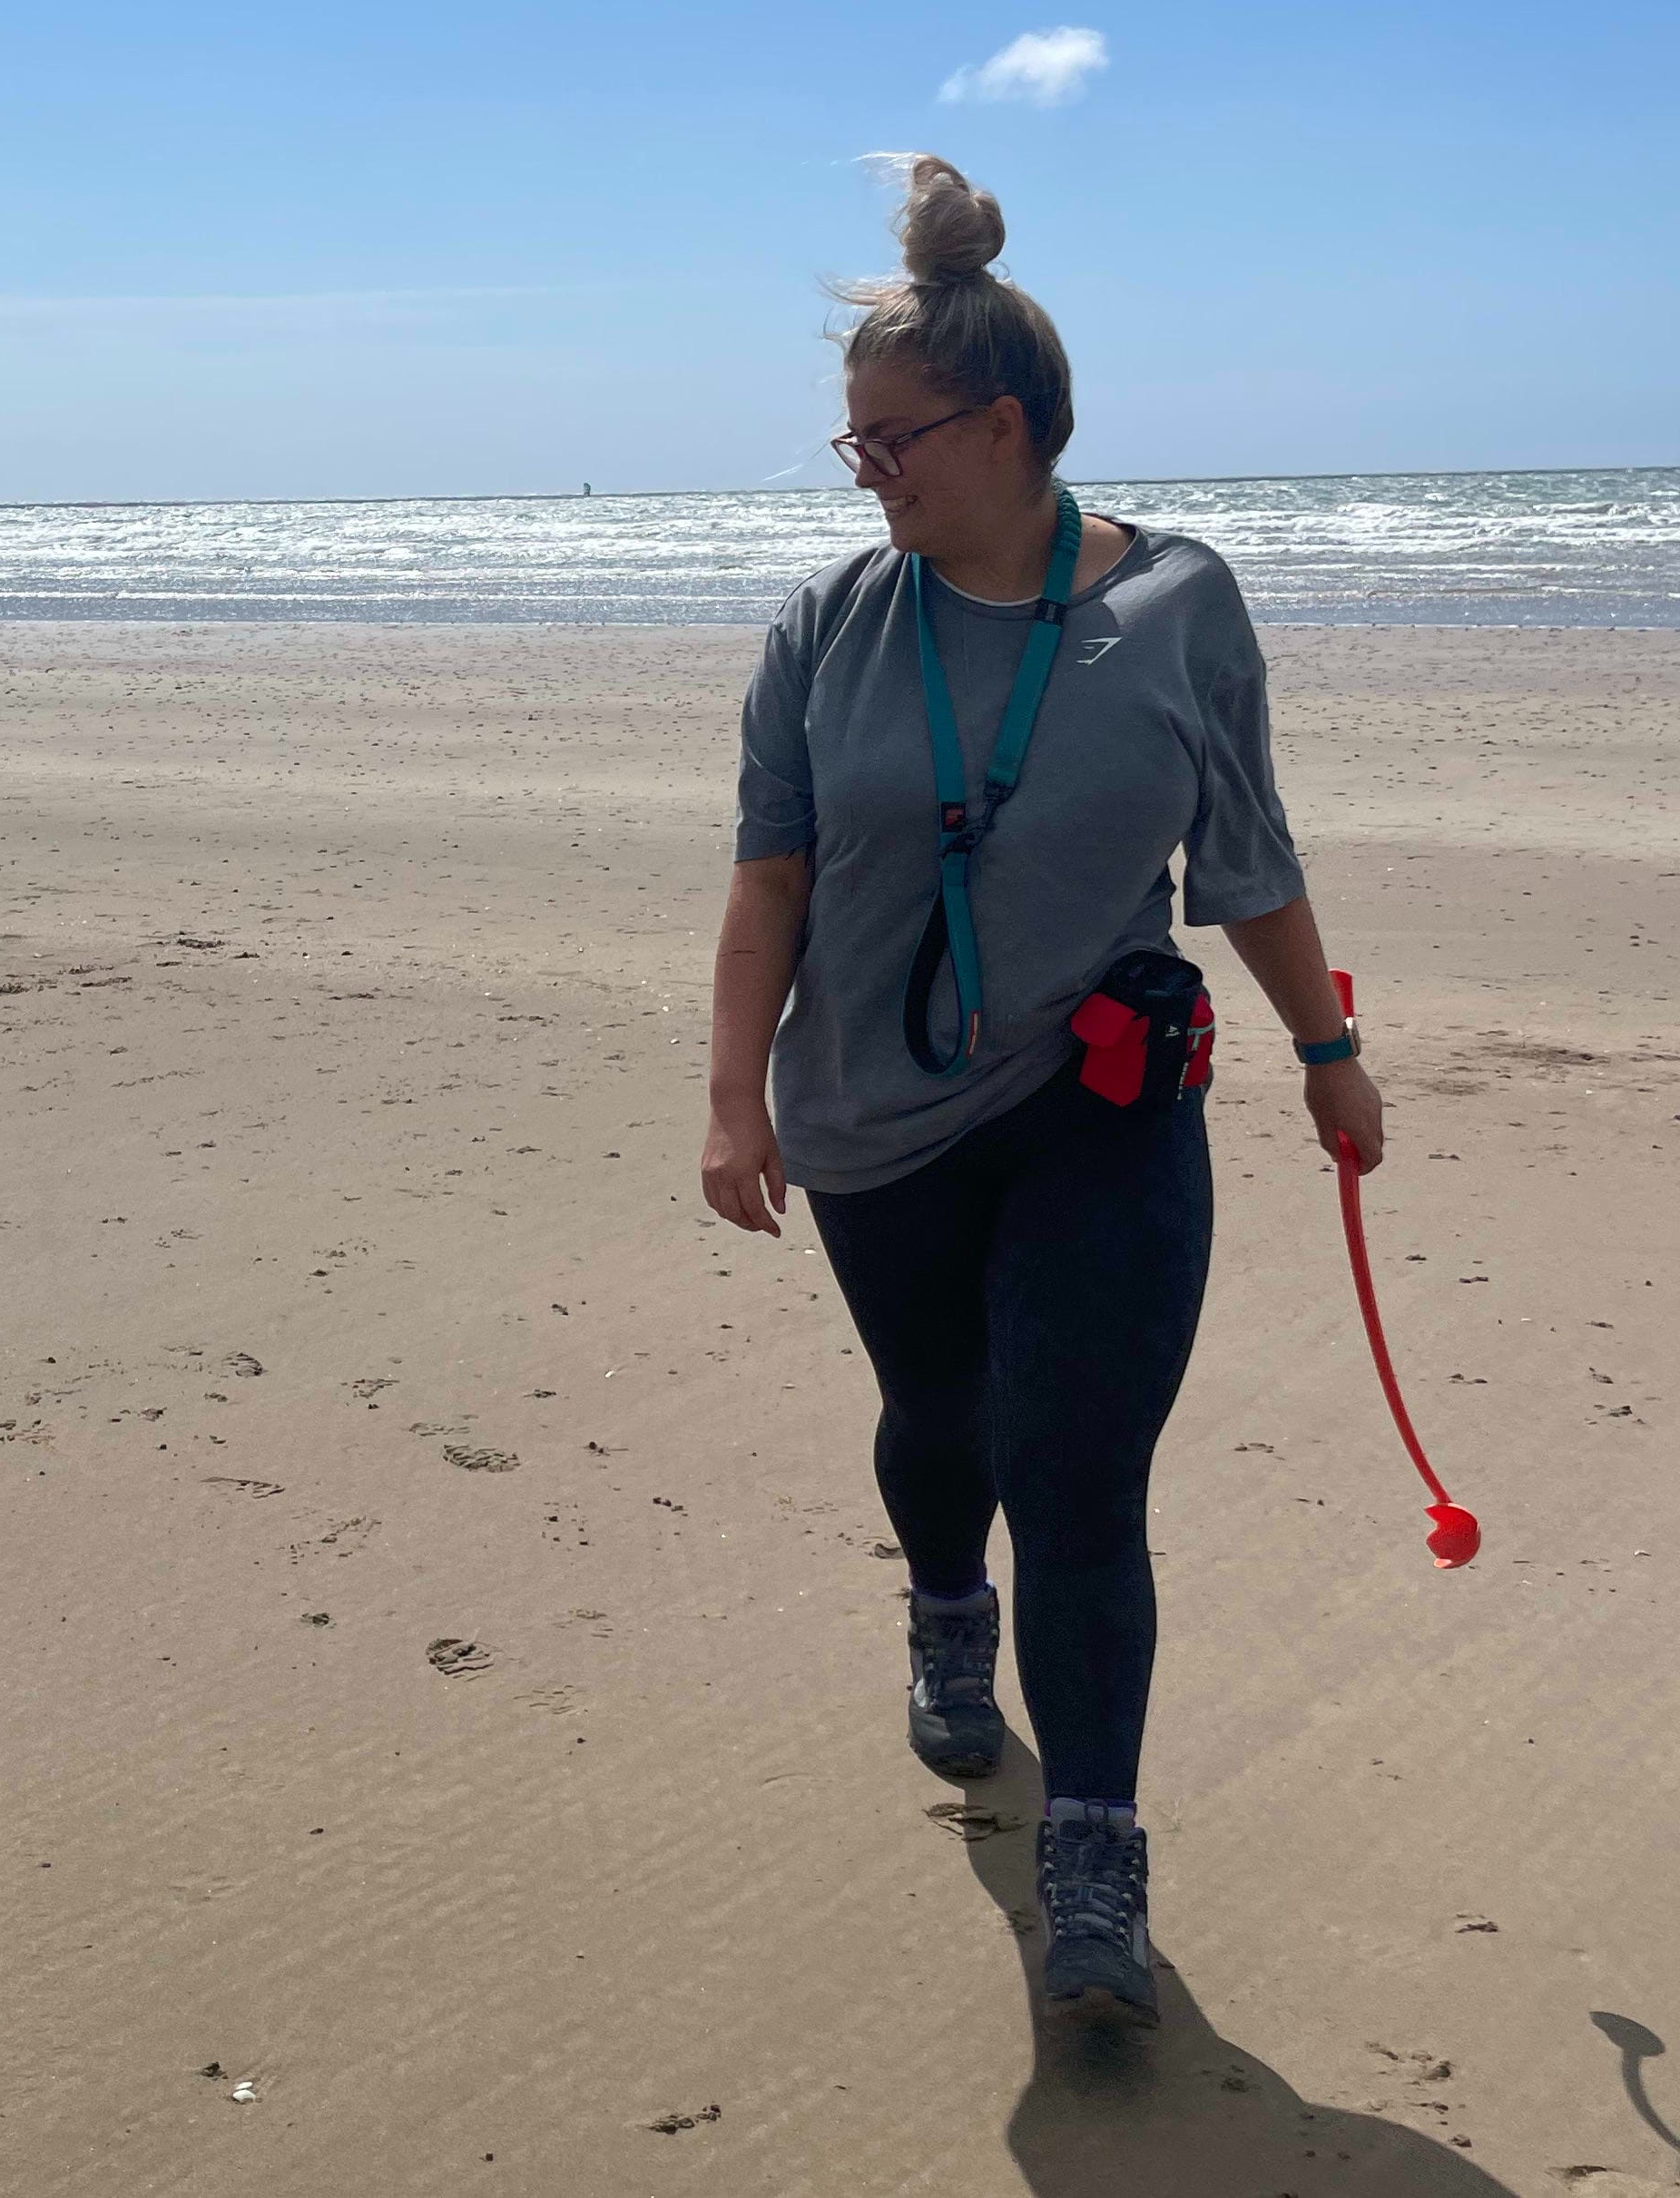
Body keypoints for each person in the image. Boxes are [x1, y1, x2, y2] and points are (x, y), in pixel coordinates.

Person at [698, 155, 1384, 2027]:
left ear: (1003, 426)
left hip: (1102, 1102)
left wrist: (1326, 1050)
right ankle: (943, 1607)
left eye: (889, 441)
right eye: (853, 449)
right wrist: (732, 1100)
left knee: (1078, 1467)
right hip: (872, 1111)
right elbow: (768, 876)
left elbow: (1244, 853)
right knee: (946, 1418)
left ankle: (1094, 1852)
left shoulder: (1175, 607)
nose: (868, 476)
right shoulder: (826, 623)